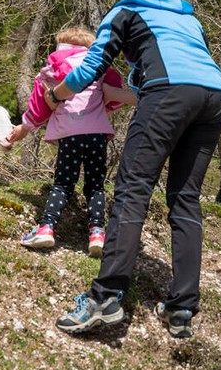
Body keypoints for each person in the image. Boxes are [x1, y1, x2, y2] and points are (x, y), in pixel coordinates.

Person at [44, 0, 221, 339]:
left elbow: (91, 67)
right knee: (186, 199)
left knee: (132, 187)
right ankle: (182, 307)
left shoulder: (126, 9)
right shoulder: (189, 19)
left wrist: (55, 94)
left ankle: (104, 298)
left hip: (170, 91)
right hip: (215, 96)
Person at [7, 27, 136, 257]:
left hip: (69, 135)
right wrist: (105, 107)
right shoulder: (100, 66)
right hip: (96, 135)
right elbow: (115, 92)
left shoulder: (52, 69)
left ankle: (46, 228)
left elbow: (40, 104)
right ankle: (97, 233)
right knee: (95, 185)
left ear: (62, 45)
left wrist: (24, 127)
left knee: (63, 184)